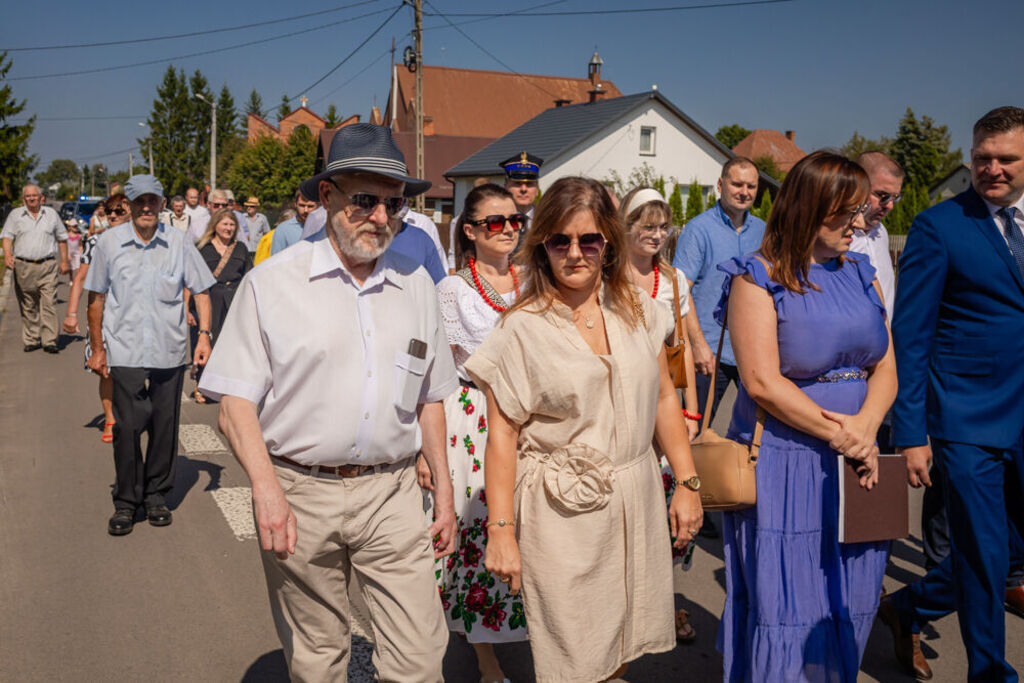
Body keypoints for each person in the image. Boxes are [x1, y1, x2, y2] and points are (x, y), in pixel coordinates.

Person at [198, 123, 458, 681]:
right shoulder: (272, 284)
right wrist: (266, 492)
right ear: (327, 197)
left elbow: (431, 396)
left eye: (393, 204)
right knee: (318, 659)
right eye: (364, 201)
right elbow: (233, 404)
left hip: (391, 492)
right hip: (300, 491)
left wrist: (445, 492)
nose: (381, 217)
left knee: (419, 657)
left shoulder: (416, 285)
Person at [467, 176, 704, 682]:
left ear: (609, 243)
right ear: (543, 245)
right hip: (561, 514)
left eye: (589, 239)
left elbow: (665, 396)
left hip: (635, 499)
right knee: (574, 658)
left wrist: (686, 483)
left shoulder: (640, 309)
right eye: (560, 240)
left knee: (621, 646)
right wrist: (501, 531)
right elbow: (503, 436)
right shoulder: (521, 328)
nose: (575, 254)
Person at [715, 151, 896, 681]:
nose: (859, 224)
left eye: (862, 210)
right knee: (789, 606)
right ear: (810, 208)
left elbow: (887, 364)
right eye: (847, 213)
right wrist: (846, 434)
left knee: (854, 595)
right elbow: (762, 383)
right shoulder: (758, 278)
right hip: (786, 461)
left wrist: (865, 432)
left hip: (858, 458)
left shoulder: (862, 271)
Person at [881, 106, 1024, 682]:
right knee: (987, 556)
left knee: (999, 556)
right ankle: (991, 673)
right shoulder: (939, 226)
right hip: (967, 420)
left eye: (1006, 158)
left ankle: (908, 607)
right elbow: (909, 338)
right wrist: (912, 433)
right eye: (982, 158)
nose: (992, 168)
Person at [428, 183, 527, 683]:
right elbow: (437, 379)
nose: (508, 228)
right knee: (479, 532)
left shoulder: (537, 282)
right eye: (495, 222)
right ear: (470, 231)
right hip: (475, 422)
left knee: (531, 532)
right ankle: (486, 659)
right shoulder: (452, 292)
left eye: (514, 220)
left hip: (531, 424)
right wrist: (430, 458)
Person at [84, 175, 215, 536]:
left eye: (152, 201)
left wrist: (203, 336)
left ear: (161, 204)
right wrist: (97, 349)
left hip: (168, 350)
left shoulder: (178, 242)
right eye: (139, 201)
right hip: (123, 348)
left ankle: (156, 495)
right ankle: (126, 501)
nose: (146, 207)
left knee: (163, 426)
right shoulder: (108, 243)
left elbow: (201, 291)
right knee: (126, 427)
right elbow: (95, 299)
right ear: (127, 204)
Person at [620, 186, 702, 643]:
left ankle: (662, 595)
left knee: (669, 498)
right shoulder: (608, 275)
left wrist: (690, 408)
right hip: (624, 403)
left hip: (666, 401)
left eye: (661, 226)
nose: (655, 234)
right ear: (626, 227)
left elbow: (680, 346)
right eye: (646, 226)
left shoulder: (674, 280)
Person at [673, 157, 765, 539]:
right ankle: (689, 503)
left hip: (752, 349)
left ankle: (742, 495)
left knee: (756, 432)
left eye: (750, 186)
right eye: (736, 184)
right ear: (720, 185)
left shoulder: (764, 229)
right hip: (708, 347)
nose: (743, 192)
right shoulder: (699, 230)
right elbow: (681, 290)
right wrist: (696, 344)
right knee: (693, 432)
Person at [64, 193, 130, 444]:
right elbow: (80, 278)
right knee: (105, 371)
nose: (112, 215)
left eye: (119, 211)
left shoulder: (143, 243)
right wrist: (71, 313)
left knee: (131, 370)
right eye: (109, 211)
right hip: (102, 315)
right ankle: (111, 419)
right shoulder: (96, 243)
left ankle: (131, 415)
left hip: (132, 318)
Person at [187, 208, 252, 404]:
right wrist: (186, 309)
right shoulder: (203, 248)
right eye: (225, 224)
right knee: (206, 341)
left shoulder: (240, 248)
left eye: (232, 225)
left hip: (234, 299)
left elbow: (249, 275)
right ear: (215, 225)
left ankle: (226, 385)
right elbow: (191, 280)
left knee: (231, 344)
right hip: (209, 298)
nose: (229, 228)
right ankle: (201, 384)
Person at [1, 183, 71, 353]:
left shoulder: (51, 215)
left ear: (41, 197)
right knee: (28, 304)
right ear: (24, 198)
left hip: (47, 264)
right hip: (24, 266)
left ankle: (50, 341)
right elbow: (7, 236)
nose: (31, 199)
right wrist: (8, 255)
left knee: (49, 303)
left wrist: (64, 261)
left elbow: (62, 238)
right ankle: (32, 338)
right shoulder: (15, 215)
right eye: (28, 196)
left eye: (34, 196)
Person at [269, 190, 319, 255]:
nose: (306, 210)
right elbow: (275, 260)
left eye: (310, 206)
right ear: (295, 204)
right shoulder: (283, 229)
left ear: (318, 205)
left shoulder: (324, 228)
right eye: (302, 205)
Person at [66, 218, 82, 282]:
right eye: (74, 226)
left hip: (77, 253)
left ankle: (77, 280)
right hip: (69, 253)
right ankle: (71, 278)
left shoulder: (79, 236)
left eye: (76, 226)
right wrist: (67, 255)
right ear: (70, 227)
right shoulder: (66, 236)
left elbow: (80, 245)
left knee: (78, 266)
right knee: (71, 268)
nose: (76, 227)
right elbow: (65, 246)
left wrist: (81, 253)